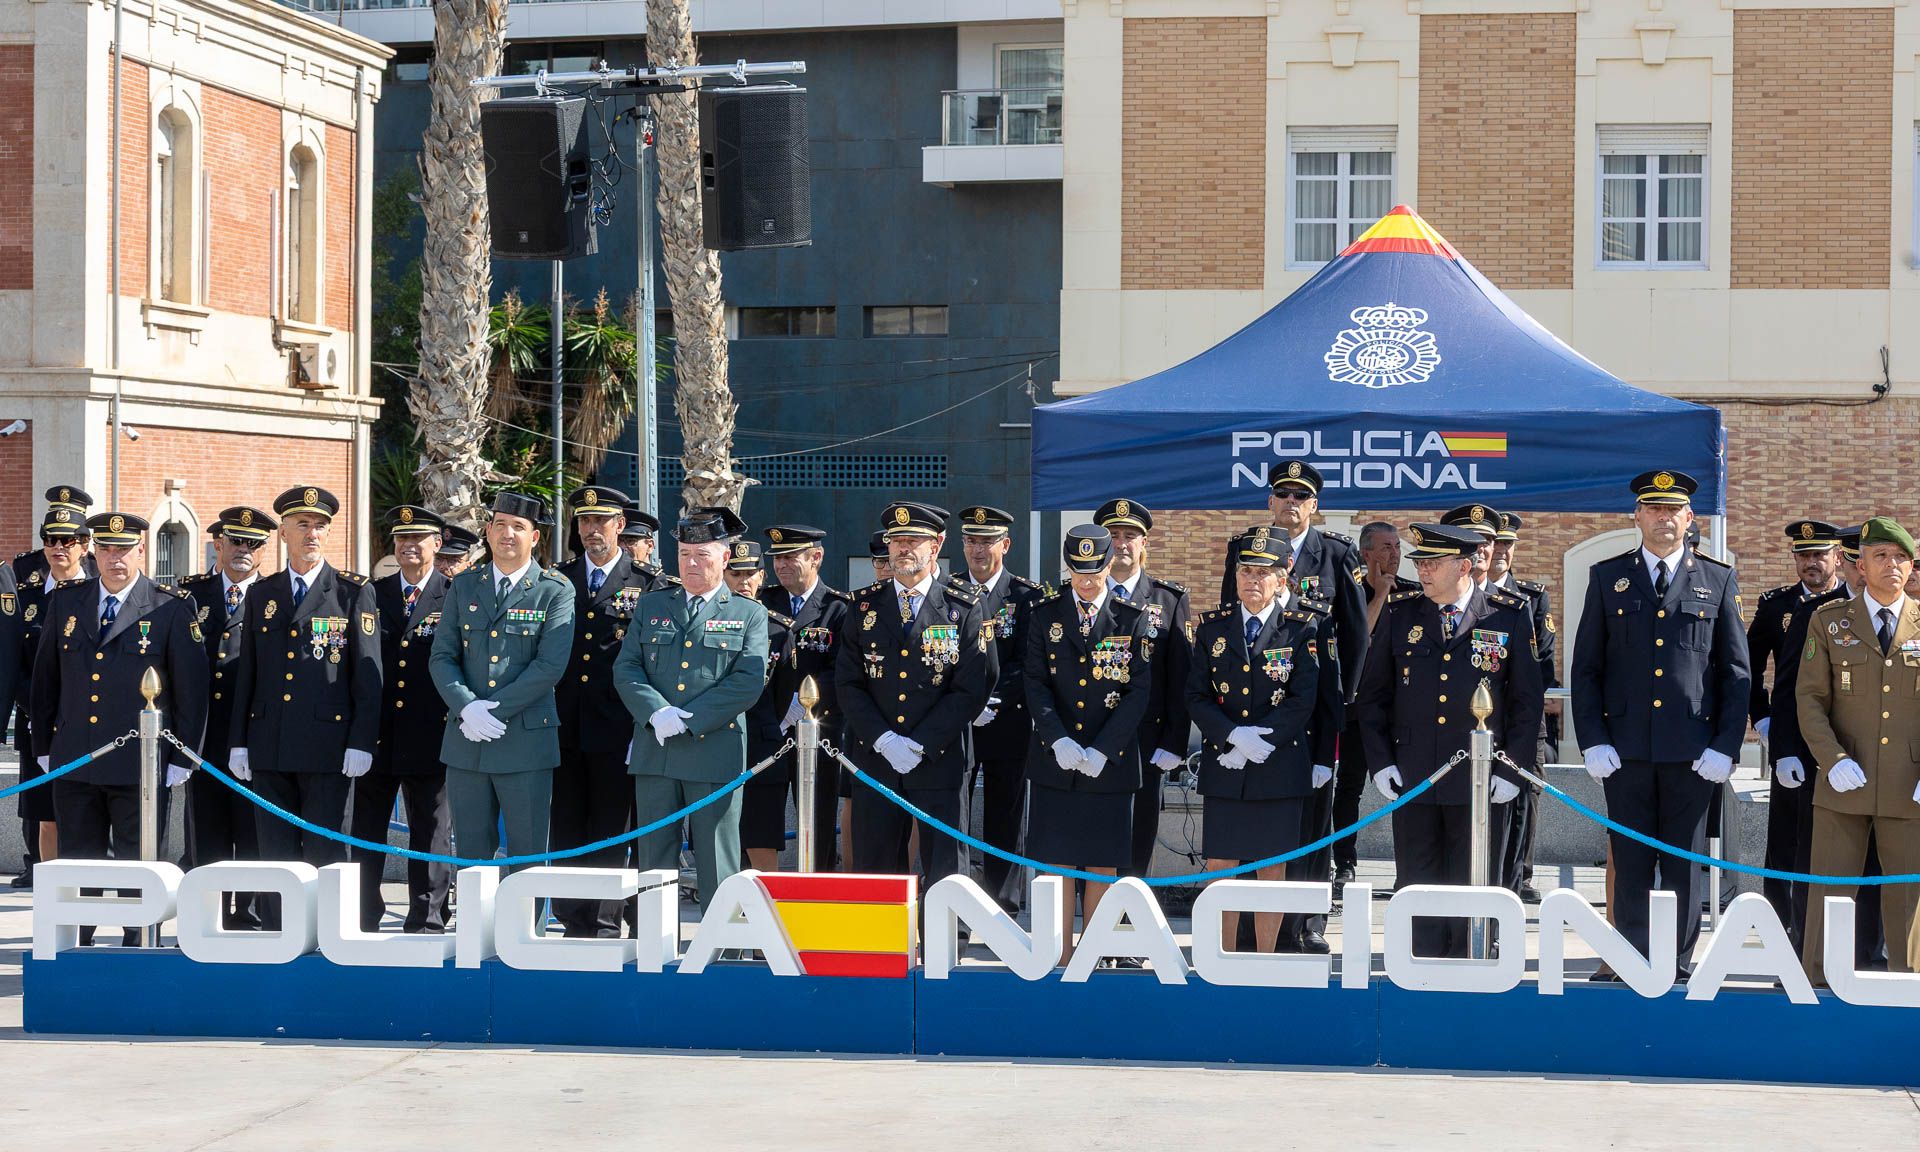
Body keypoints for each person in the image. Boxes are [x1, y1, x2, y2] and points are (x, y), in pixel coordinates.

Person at [1570, 470, 1750, 976]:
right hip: (1623, 750)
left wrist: (1726, 745)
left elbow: (1735, 673)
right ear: (1637, 516)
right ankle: (1628, 958)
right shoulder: (1608, 577)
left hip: (1693, 753)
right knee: (1629, 861)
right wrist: (1592, 739)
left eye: (1673, 510)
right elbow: (1586, 668)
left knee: (1683, 864)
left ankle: (1675, 961)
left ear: (1690, 518)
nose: (1663, 517)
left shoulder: (1717, 579)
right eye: (1653, 508)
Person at [1355, 522, 1543, 957]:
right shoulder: (1401, 612)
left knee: (1474, 885)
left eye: (1432, 563)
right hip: (1415, 776)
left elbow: (1526, 703)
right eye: (1420, 562)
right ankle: (1422, 973)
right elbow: (1373, 696)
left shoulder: (1507, 614)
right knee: (1418, 886)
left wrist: (1513, 770)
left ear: (1463, 565)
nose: (1422, 572)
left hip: (1481, 782)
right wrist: (1381, 762)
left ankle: (1473, 970)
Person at [29, 512, 207, 946]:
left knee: (138, 862)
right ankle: (78, 939)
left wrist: (182, 757)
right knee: (78, 859)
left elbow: (192, 689)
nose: (115, 558)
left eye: (124, 549)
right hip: (75, 757)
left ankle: (137, 940)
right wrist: (43, 745)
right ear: (94, 551)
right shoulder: (68, 601)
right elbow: (45, 679)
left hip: (138, 765)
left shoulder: (168, 606)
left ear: (141, 550)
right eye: (106, 549)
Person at [1220, 462, 1364, 953]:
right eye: (1282, 494)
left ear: (1315, 506)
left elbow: (1355, 637)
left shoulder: (1336, 555)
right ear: (1269, 502)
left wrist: (1342, 706)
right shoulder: (1244, 552)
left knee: (1311, 822)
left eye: (1300, 497)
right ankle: (1247, 929)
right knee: (1254, 829)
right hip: (1249, 713)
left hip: (1314, 711)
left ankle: (1306, 923)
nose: (1290, 503)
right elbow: (1229, 635)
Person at [227, 487, 382, 931]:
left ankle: (327, 931)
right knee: (274, 851)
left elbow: (368, 677)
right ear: (283, 532)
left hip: (327, 747)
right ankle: (281, 932)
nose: (312, 534)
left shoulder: (352, 593)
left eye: (319, 526)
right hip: (269, 743)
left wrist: (361, 741)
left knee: (323, 848)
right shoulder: (263, 593)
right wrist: (239, 740)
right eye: (302, 525)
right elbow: (248, 674)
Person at [614, 507, 769, 911]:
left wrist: (689, 720)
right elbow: (627, 667)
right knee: (654, 862)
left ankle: (722, 952)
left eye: (702, 554)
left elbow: (747, 681)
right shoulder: (652, 606)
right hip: (656, 751)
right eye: (684, 554)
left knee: (718, 861)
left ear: (725, 558)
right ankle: (655, 950)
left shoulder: (748, 613)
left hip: (713, 752)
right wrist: (655, 713)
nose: (692, 563)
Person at [834, 502, 994, 882]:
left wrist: (920, 742)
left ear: (936, 545)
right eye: (896, 541)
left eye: (914, 540)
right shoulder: (863, 606)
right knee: (877, 866)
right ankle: (881, 941)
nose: (903, 548)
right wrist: (885, 740)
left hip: (940, 758)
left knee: (945, 866)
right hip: (877, 758)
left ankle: (946, 941)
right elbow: (849, 682)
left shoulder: (964, 606)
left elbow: (974, 685)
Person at [1186, 529, 1325, 953]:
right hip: (1225, 762)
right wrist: (1233, 737)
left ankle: (1264, 958)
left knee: (1270, 868)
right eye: (1246, 570)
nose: (1252, 580)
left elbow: (1305, 698)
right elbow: (1195, 694)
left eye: (1264, 572)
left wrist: (1260, 742)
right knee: (1221, 865)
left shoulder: (1302, 629)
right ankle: (1219, 955)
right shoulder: (1213, 629)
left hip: (1277, 766)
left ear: (1283, 579)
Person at [1020, 525, 1153, 962]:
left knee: (1102, 861)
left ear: (1109, 564)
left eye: (1094, 572)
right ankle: (1058, 954)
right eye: (1078, 573)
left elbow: (1138, 691)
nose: (1086, 582)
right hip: (1054, 760)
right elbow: (1035, 683)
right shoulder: (1045, 615)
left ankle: (1094, 952)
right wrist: (1056, 738)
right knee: (1056, 861)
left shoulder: (1132, 618)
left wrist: (1104, 748)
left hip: (1108, 762)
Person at [1797, 516, 1920, 984]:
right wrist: (1832, 759)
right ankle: (1819, 985)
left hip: (1908, 786)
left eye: (1901, 558)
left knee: (1908, 899)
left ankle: (1909, 993)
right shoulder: (1829, 622)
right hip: (1844, 779)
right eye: (1881, 557)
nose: (1893, 566)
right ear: (1859, 567)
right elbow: (1810, 700)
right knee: (1830, 890)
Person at [429, 492, 574, 876]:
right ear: (488, 531)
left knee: (526, 857)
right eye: (500, 525)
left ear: (535, 537)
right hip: (467, 740)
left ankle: (523, 935)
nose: (508, 534)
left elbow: (549, 665)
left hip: (525, 742)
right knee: (472, 860)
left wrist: (493, 710)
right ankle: (476, 936)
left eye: (519, 527)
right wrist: (466, 707)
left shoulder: (554, 590)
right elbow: (442, 656)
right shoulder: (464, 586)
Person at [550, 486, 653, 937]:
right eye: (585, 522)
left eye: (601, 522)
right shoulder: (557, 579)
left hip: (618, 727)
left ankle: (606, 918)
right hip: (563, 725)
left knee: (613, 825)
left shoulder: (648, 585)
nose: (592, 530)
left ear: (620, 526)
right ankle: (571, 916)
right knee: (567, 822)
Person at [351, 505, 455, 933]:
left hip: (431, 731)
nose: (409, 546)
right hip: (377, 734)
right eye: (401, 539)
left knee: (430, 831)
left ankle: (427, 916)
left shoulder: (454, 594)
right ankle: (362, 912)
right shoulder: (370, 593)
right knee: (366, 830)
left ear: (437, 543)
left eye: (418, 539)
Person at [177, 507, 275, 929]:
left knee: (253, 828)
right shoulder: (189, 595)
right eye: (237, 541)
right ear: (218, 543)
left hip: (256, 733)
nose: (244, 551)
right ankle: (208, 916)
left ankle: (248, 913)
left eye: (253, 544)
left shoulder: (274, 595)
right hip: (202, 735)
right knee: (206, 829)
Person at [951, 505, 1045, 908]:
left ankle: (1003, 901)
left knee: (1006, 811)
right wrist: (971, 703)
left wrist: (996, 699)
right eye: (971, 541)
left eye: (987, 541)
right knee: (953, 809)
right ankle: (954, 897)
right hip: (958, 722)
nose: (978, 549)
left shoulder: (1027, 596)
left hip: (1009, 721)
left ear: (1005, 545)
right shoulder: (947, 591)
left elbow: (1029, 660)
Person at [1096, 498, 1192, 882]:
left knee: (1140, 831)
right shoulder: (1082, 595)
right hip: (1094, 735)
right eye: (1113, 535)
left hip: (1146, 740)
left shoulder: (1168, 600)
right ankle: (1096, 911)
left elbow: (1181, 677)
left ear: (1144, 542)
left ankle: (1133, 913)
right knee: (1096, 832)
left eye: (1129, 536)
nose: (1121, 543)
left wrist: (1175, 741)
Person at [758, 524, 850, 871]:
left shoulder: (838, 609)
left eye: (790, 557)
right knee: (761, 822)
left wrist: (802, 704)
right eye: (776, 558)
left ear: (816, 557)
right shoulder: (762, 602)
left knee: (819, 824)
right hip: (768, 732)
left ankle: (819, 893)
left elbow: (842, 669)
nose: (781, 565)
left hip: (819, 732)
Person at [10, 507, 92, 886]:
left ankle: (88, 892)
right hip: (39, 724)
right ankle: (52, 894)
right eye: (50, 540)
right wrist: (39, 709)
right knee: (46, 813)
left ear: (84, 546)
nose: (58, 548)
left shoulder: (98, 593)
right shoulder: (26, 599)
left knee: (93, 811)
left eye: (67, 540)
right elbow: (14, 664)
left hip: (91, 722)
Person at [1333, 520, 1418, 885]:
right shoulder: (1349, 593)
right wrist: (1379, 595)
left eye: (1397, 547)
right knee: (1348, 788)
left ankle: (1410, 868)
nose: (1394, 554)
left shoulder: (1415, 594)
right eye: (1385, 547)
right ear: (1365, 553)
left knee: (1407, 790)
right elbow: (1355, 641)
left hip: (1398, 712)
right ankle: (1344, 862)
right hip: (1355, 709)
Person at [1487, 511, 1558, 900]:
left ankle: (1518, 876)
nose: (1500, 551)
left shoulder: (1531, 597)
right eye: (1494, 543)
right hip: (1474, 724)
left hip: (1523, 718)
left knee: (1523, 798)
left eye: (1507, 544)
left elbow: (1542, 663)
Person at [732, 538, 798, 872]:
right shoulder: (704, 622)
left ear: (761, 577)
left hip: (763, 746)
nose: (742, 582)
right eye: (735, 573)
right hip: (718, 743)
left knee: (761, 837)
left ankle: (765, 917)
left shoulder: (780, 629)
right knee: (719, 840)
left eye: (749, 574)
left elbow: (785, 691)